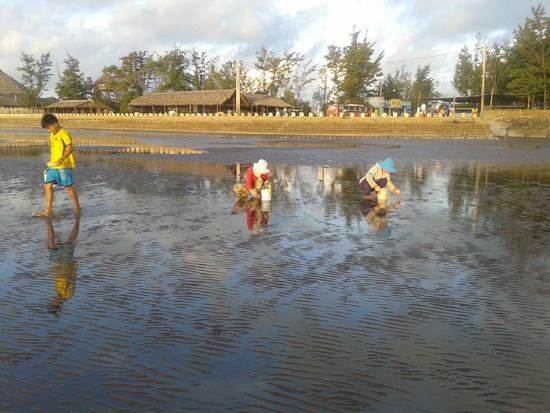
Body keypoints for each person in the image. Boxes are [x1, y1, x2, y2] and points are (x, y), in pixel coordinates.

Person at [33, 114, 81, 217]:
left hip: (63, 165)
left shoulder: (64, 133)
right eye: (47, 129)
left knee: (68, 186)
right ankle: (48, 210)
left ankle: (77, 207)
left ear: (55, 123)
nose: (49, 130)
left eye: (49, 127)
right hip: (53, 165)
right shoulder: (52, 135)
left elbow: (70, 148)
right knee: (47, 185)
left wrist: (63, 158)